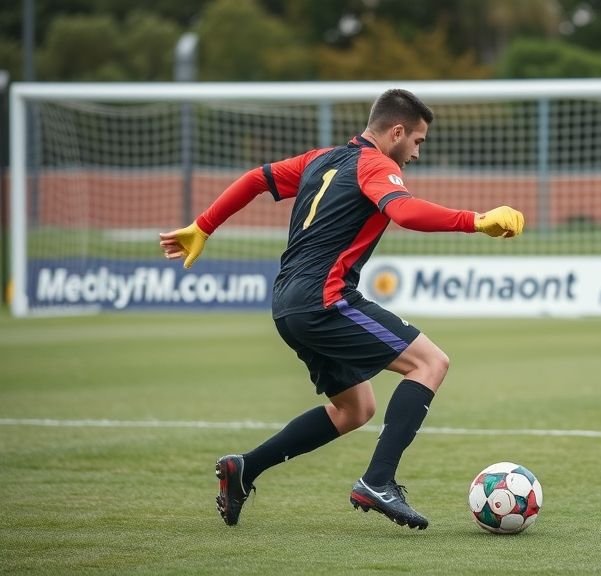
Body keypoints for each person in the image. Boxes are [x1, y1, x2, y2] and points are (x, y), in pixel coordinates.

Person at [159, 89, 525, 530]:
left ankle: (245, 468)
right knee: (430, 362)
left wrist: (203, 226)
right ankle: (378, 481)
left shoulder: (320, 159)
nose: (417, 153)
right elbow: (404, 211)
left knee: (354, 409)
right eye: (417, 141)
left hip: (286, 305)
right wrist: (476, 220)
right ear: (396, 132)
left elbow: (256, 178)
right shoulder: (376, 165)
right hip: (325, 300)